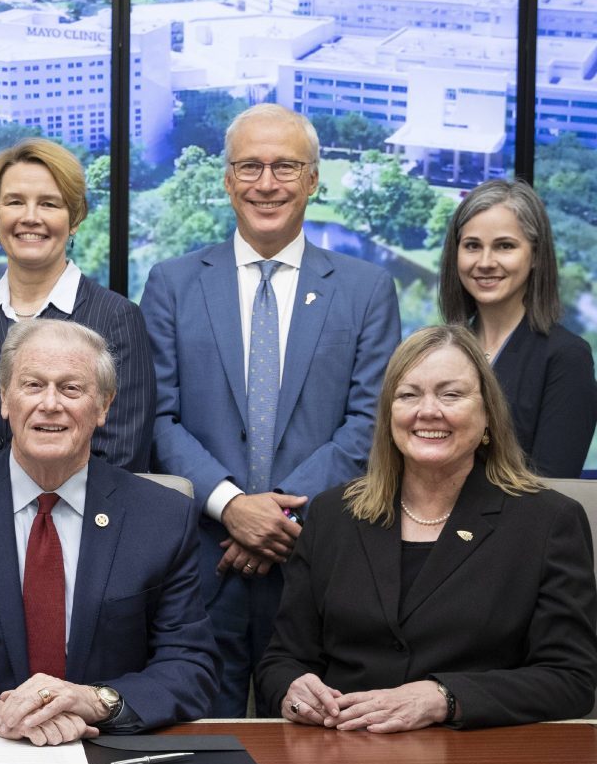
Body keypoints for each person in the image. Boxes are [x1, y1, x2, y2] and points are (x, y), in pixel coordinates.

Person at [141, 103, 401, 716]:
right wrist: (233, 507)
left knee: (319, 759)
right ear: (227, 179)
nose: (266, 183)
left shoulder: (366, 290)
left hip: (322, 565)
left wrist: (275, 517)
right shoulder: (172, 284)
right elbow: (157, 417)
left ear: (313, 180)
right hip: (201, 563)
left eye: (285, 166)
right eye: (249, 166)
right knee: (202, 762)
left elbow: (371, 422)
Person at [0, 320, 217, 743]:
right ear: (4, 399)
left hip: (107, 751)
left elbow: (191, 668)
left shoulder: (161, 515)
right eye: (32, 385)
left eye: (71, 389)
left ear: (104, 406)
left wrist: (97, 700)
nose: (50, 404)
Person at [256, 326, 597, 730]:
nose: (428, 411)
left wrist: (444, 698)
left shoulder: (548, 521)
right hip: (345, 751)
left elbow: (571, 680)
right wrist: (292, 688)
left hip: (480, 760)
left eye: (451, 394)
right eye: (409, 394)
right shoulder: (333, 515)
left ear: (488, 414)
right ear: (388, 416)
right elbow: (282, 660)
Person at [0, 138, 154, 475]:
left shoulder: (117, 318)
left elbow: (121, 458)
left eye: (49, 204)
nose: (30, 217)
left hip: (74, 523)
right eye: (14, 202)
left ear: (75, 219)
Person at [437, 178, 596, 478]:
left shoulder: (567, 357)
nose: (485, 262)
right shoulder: (442, 351)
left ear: (536, 255)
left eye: (505, 246)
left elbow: (553, 488)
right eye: (472, 246)